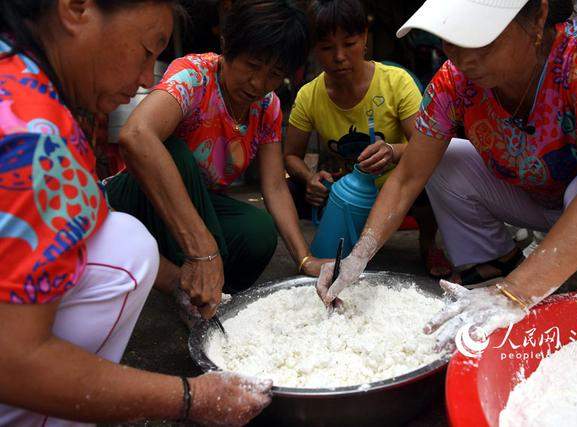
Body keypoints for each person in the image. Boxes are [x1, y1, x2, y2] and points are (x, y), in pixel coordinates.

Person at [0, 1, 271, 425]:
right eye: (148, 51)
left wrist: (179, 284)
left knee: (125, 240)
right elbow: (11, 360)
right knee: (128, 251)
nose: (148, 78)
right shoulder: (34, 135)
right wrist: (191, 397)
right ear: (76, 9)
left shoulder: (17, 73)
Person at [316, 0, 577, 349]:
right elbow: (408, 176)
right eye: (451, 39)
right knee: (447, 159)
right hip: (534, 197)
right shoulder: (454, 80)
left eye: (481, 40)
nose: (463, 58)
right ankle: (488, 277)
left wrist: (515, 292)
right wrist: (359, 255)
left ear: (538, 18)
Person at [105, 0, 330, 323]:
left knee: (259, 231)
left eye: (274, 74)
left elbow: (275, 186)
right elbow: (136, 135)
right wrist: (204, 250)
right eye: (252, 65)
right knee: (173, 150)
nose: (258, 83)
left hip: (195, 206)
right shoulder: (194, 75)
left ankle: (207, 294)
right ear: (227, 46)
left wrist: (304, 258)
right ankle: (199, 278)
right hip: (138, 199)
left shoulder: (267, 106)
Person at [284, 0, 452, 277]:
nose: (339, 56)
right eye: (327, 48)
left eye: (349, 43)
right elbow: (290, 156)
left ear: (364, 38)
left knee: (439, 171)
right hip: (346, 189)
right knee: (287, 191)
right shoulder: (308, 96)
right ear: (314, 50)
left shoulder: (396, 82)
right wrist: (309, 177)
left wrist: (393, 151)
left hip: (400, 189)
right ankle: (311, 257)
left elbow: (426, 146)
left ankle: (428, 244)